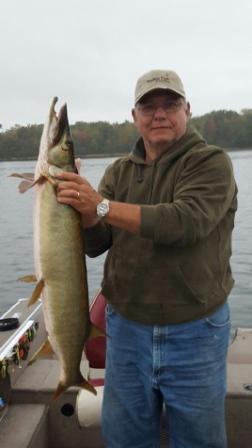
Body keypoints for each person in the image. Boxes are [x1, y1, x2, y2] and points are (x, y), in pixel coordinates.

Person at [56, 69, 238, 448]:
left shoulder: (211, 163)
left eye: (169, 104)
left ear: (187, 109)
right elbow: (96, 243)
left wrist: (101, 204)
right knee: (127, 441)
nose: (159, 114)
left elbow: (184, 222)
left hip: (195, 331)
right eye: (148, 106)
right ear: (134, 115)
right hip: (125, 332)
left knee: (199, 443)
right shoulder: (119, 171)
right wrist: (83, 209)